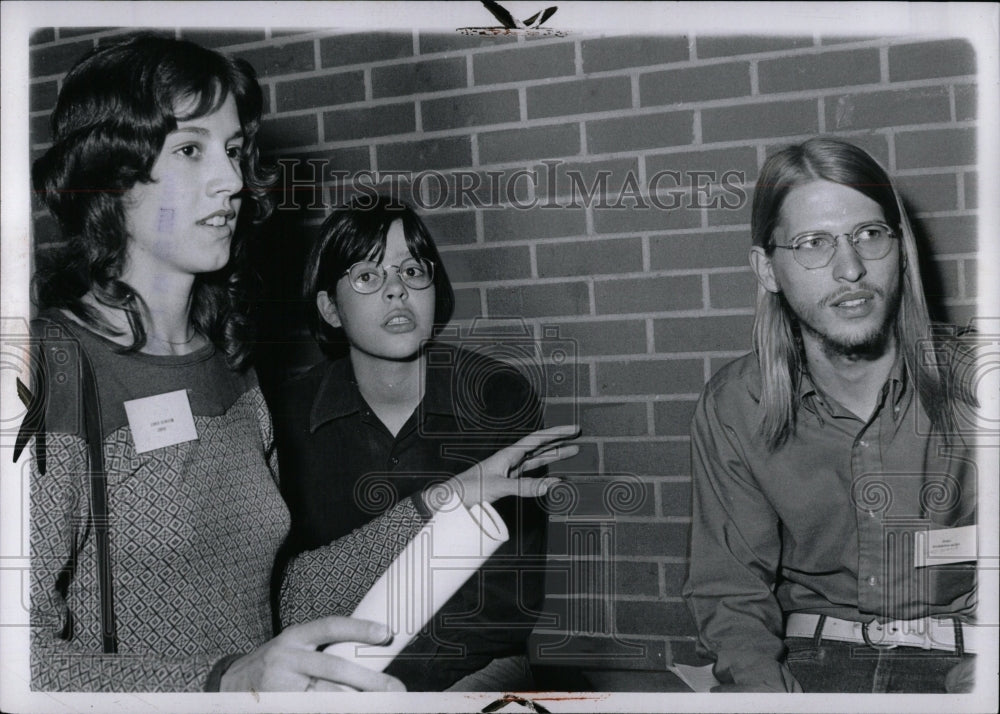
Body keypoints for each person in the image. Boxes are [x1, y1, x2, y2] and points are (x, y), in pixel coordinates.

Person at [21, 34, 574, 693]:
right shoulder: (51, 370)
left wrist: (442, 504)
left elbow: (277, 599)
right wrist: (225, 684)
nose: (231, 183)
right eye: (191, 150)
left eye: (231, 151)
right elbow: (19, 662)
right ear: (111, 174)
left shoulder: (229, 368)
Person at [682, 137, 979, 693]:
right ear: (767, 269)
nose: (850, 268)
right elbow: (730, 594)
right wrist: (765, 696)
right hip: (811, 664)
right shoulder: (735, 405)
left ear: (901, 248)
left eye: (869, 235)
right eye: (813, 242)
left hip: (967, 662)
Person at [271, 196, 557, 691]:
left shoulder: (498, 397)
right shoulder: (285, 419)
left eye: (412, 270)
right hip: (328, 675)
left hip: (469, 670)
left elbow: (508, 599)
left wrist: (392, 690)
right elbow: (286, 592)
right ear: (329, 309)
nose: (397, 290)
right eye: (367, 276)